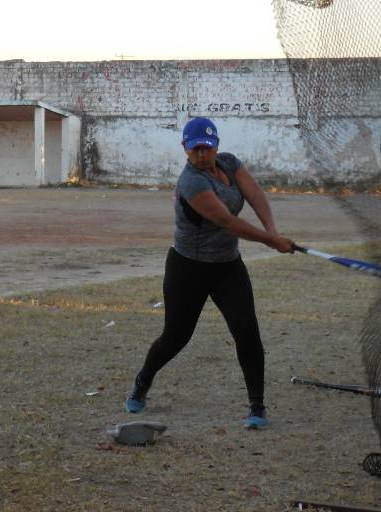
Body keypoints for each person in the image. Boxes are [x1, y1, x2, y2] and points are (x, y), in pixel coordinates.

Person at [124, 117, 295, 429]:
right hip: (188, 268)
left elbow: (255, 196)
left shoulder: (229, 164)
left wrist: (273, 231)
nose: (202, 154)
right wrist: (271, 241)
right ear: (185, 149)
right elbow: (228, 221)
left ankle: (257, 406)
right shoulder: (191, 183)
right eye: (195, 149)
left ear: (217, 144)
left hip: (227, 267)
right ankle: (143, 379)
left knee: (247, 332)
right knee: (176, 337)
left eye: (207, 147)